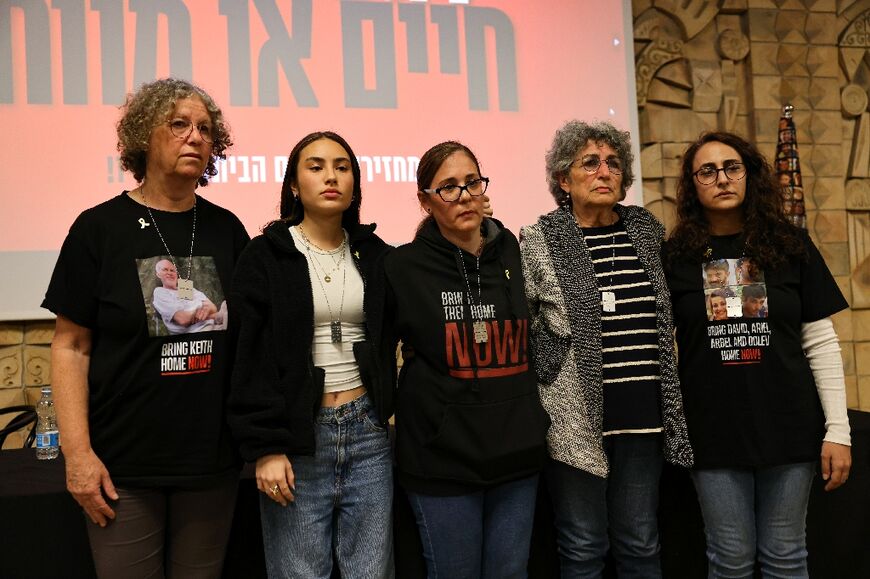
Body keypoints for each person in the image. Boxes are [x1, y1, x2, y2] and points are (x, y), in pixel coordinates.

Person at [43, 78, 249, 578]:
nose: (195, 137)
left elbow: (243, 338)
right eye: (179, 124)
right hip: (123, 468)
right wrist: (78, 455)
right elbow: (71, 347)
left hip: (211, 465)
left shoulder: (228, 230)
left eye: (205, 128)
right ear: (143, 137)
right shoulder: (99, 229)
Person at [663, 131, 852, 578]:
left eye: (732, 167)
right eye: (707, 171)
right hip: (711, 433)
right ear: (692, 185)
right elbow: (658, 347)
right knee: (729, 560)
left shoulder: (790, 246)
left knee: (786, 557)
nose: (722, 179)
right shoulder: (674, 256)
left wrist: (839, 430)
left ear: (749, 176)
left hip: (790, 426)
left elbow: (821, 343)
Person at [519, 120, 693, 578]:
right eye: (590, 163)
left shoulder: (646, 231)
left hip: (643, 419)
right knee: (582, 547)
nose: (604, 172)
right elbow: (529, 328)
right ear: (563, 179)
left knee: (640, 543)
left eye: (613, 163)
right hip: (574, 420)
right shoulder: (541, 239)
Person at [228, 131, 395, 578]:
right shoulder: (264, 256)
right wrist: (266, 447)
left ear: (355, 184)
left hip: (368, 435)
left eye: (342, 167)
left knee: (371, 573)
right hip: (299, 439)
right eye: (316, 166)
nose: (331, 176)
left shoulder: (376, 255)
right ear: (293, 185)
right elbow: (249, 358)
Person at [384, 141, 550, 578]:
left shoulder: (513, 251)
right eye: (448, 188)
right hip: (442, 461)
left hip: (517, 453)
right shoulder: (402, 267)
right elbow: (377, 352)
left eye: (472, 183)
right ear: (424, 201)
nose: (464, 196)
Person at [152, 259, 227, 333]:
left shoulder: (184, 287)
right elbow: (184, 320)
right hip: (199, 331)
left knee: (226, 304)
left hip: (216, 322)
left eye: (172, 270)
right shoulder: (160, 291)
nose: (169, 273)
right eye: (165, 270)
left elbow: (213, 308)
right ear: (158, 274)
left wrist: (197, 313)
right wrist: (202, 309)